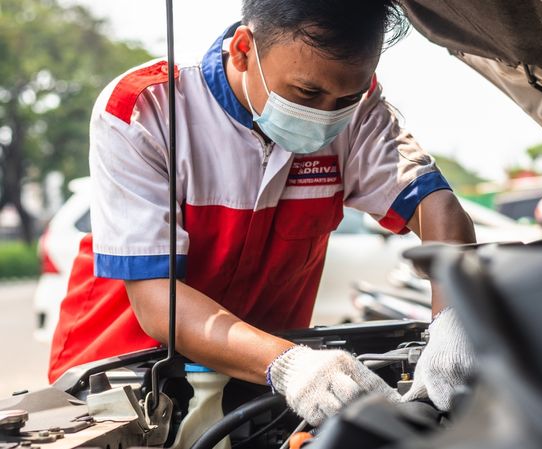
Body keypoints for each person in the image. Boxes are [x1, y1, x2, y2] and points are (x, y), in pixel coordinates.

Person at [49, 0, 476, 425]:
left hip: (260, 384)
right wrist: (292, 365)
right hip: (122, 383)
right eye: (306, 93)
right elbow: (160, 302)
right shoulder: (148, 108)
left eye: (344, 97)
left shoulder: (361, 110)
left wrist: (452, 322)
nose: (325, 114)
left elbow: (439, 211)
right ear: (242, 49)